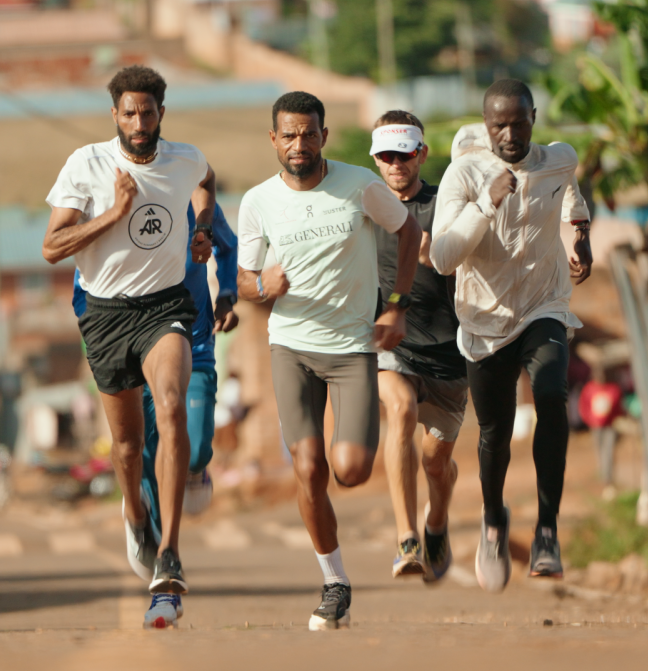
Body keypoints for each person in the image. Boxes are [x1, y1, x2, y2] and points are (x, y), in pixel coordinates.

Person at [236, 91, 421, 630]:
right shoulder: (258, 202)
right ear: (274, 139)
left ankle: (343, 532)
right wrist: (260, 285)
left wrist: (397, 306)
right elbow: (243, 280)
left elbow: (408, 232)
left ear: (324, 135)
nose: (299, 144)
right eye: (288, 135)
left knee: (351, 470)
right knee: (309, 467)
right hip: (291, 345)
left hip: (353, 349)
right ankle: (334, 582)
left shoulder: (359, 185)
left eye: (309, 133)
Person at [42, 65, 217, 629]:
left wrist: (203, 225)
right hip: (106, 315)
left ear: (162, 112)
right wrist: (114, 214)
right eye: (129, 112)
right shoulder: (86, 164)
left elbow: (207, 181)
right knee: (125, 447)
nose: (139, 122)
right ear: (114, 114)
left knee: (170, 407)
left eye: (148, 112)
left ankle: (168, 554)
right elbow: (51, 247)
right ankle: (136, 515)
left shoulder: (185, 158)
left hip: (166, 307)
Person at [430, 79, 592, 593]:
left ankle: (547, 530)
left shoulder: (558, 159)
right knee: (494, 435)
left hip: (544, 304)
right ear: (485, 125)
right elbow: (442, 257)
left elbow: (572, 200)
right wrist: (486, 203)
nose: (508, 133)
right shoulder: (464, 173)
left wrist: (581, 238)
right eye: (498, 124)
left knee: (551, 394)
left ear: (533, 118)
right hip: (484, 320)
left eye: (518, 122)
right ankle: (493, 518)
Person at [72, 202, 239, 536]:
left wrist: (227, 294)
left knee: (192, 451)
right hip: (131, 353)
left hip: (194, 344)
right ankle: (156, 543)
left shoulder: (191, 197)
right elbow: (83, 285)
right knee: (142, 453)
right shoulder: (111, 207)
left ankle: (194, 469)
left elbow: (227, 244)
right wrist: (99, 335)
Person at [368, 111, 467, 583]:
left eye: (403, 155)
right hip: (393, 343)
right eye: (386, 156)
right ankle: (407, 537)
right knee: (401, 410)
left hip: (450, 349)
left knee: (435, 461)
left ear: (421, 154)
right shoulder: (365, 209)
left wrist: (438, 256)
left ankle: (437, 520)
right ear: (375, 160)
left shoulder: (445, 205)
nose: (395, 164)